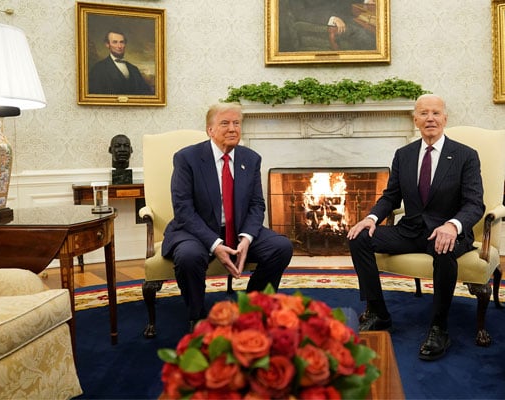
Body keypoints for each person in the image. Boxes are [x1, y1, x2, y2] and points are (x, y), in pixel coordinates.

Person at [346, 94, 485, 361]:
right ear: (415, 120)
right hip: (410, 230)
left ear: (445, 118)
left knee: (443, 249)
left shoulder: (465, 156)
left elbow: (474, 203)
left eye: (435, 113)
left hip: (448, 232)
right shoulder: (404, 154)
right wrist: (371, 219)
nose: (429, 118)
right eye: (423, 113)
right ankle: (378, 312)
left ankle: (439, 327)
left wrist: (453, 226)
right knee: (359, 237)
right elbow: (391, 196)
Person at [161, 102, 293, 327]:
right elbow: (183, 209)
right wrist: (214, 244)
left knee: (281, 247)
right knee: (188, 257)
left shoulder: (250, 159)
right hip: (196, 230)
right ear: (210, 130)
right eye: (225, 123)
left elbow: (256, 204)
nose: (232, 128)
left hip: (238, 228)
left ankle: (252, 308)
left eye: (237, 123)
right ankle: (198, 316)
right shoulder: (187, 158)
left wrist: (247, 238)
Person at [282, 0, 376, 51]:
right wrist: (331, 18)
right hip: (324, 25)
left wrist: (365, 0)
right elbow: (300, 13)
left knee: (372, 28)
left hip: (346, 19)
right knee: (367, 35)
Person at [88, 30, 154, 95]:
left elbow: (146, 93)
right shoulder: (98, 69)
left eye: (122, 42)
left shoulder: (134, 69)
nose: (119, 46)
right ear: (107, 45)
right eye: (115, 42)